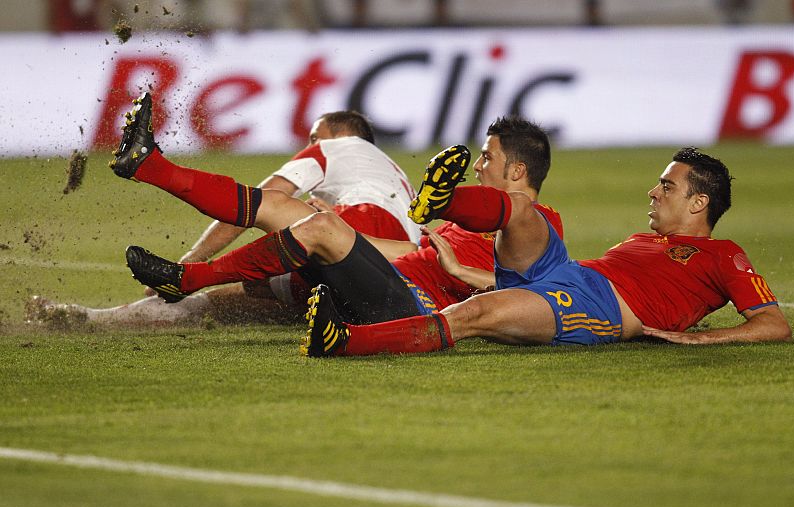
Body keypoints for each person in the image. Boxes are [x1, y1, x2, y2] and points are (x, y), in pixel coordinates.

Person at [104, 92, 563, 336]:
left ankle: (187, 277)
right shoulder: (464, 224)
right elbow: (411, 250)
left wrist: (461, 270)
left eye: (487, 158)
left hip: (409, 306)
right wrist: (349, 237)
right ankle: (150, 167)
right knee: (286, 229)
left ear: (518, 170)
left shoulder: (542, 224)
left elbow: (538, 297)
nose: (479, 166)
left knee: (298, 219)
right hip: (381, 276)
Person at [302, 147, 792, 356]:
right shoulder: (647, 240)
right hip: (566, 276)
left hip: (598, 308)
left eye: (667, 186)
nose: (653, 192)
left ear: (699, 202)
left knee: (473, 315)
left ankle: (343, 342)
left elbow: (774, 324)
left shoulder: (723, 253)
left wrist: (708, 340)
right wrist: (465, 268)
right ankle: (441, 201)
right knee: (520, 210)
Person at [27, 96, 420, 327]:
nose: (308, 143)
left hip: (353, 246)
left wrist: (193, 253)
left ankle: (177, 259)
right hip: (392, 289)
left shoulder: (336, 148)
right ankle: (94, 319)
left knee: (269, 208)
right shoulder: (398, 177)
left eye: (314, 136)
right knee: (232, 301)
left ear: (335, 134)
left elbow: (257, 204)